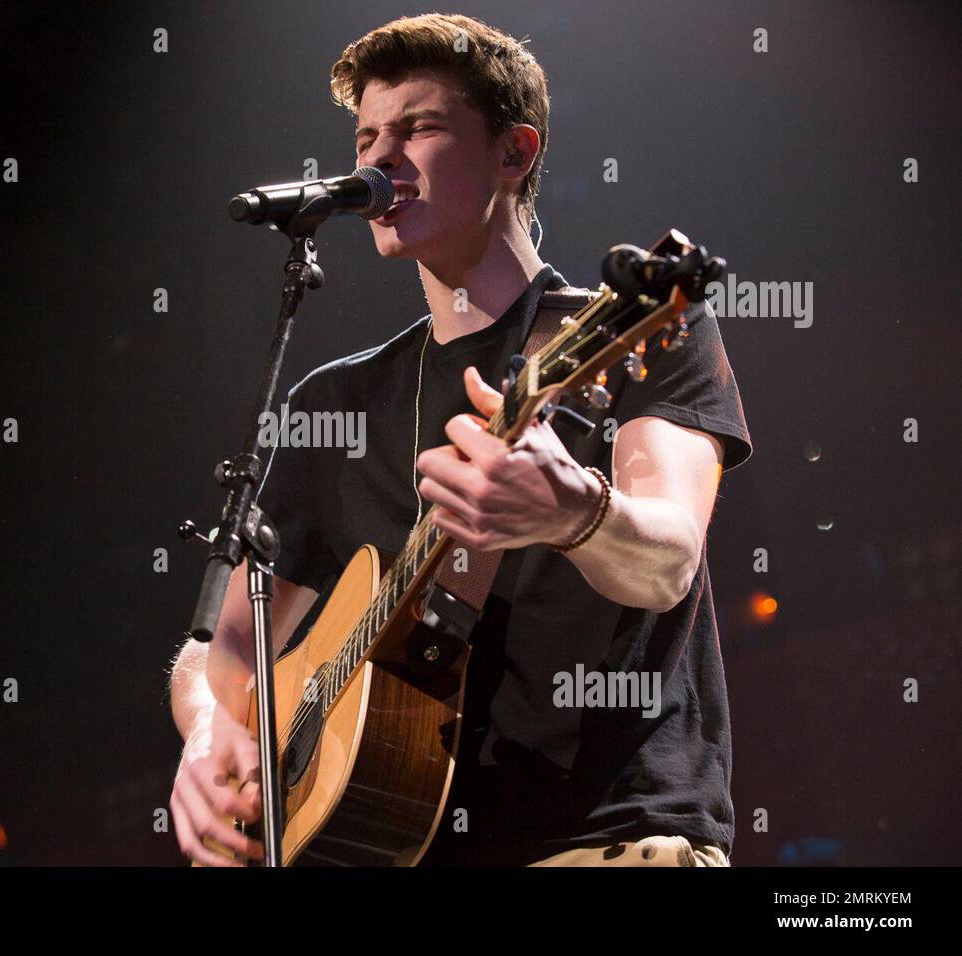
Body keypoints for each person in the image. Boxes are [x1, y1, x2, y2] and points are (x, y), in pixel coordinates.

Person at [168, 12, 751, 867]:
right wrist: (210, 735)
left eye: (419, 127)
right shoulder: (337, 400)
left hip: (609, 837)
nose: (378, 158)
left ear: (514, 154)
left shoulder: (628, 330)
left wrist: (574, 513)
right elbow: (215, 653)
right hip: (395, 845)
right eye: (367, 135)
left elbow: (669, 562)